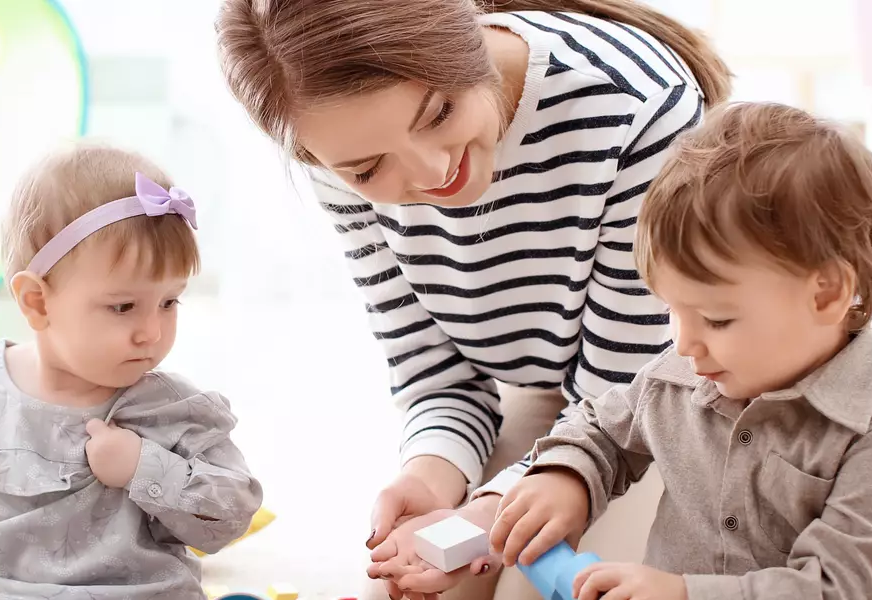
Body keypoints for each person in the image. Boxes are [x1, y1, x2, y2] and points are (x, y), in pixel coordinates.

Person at [216, 1, 730, 598]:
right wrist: (433, 474)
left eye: (438, 113)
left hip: (662, 401)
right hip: (546, 390)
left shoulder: (633, 104)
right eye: (368, 168)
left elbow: (623, 394)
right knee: (405, 584)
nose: (434, 173)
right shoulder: (335, 150)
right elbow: (436, 373)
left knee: (533, 584)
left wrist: (491, 509)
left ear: (469, 46)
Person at [463, 102, 872, 599]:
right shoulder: (682, 377)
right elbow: (602, 427)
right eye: (672, 310)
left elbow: (839, 588)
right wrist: (566, 476)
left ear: (827, 294)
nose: (684, 344)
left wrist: (686, 594)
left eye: (716, 319)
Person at [0, 145, 265, 600]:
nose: (152, 332)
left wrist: (143, 466)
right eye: (123, 306)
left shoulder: (171, 408)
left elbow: (232, 513)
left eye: (169, 302)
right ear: (37, 302)